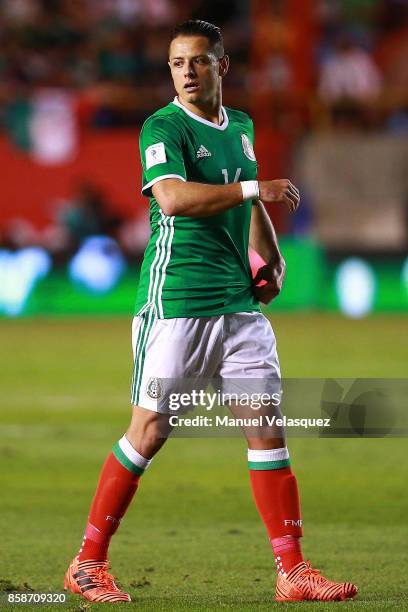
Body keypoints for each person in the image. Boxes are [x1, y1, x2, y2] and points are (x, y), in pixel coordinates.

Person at [64, 20, 358, 603]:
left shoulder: (240, 126)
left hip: (237, 303)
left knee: (267, 425)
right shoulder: (163, 127)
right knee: (149, 432)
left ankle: (292, 570)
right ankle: (88, 563)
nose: (188, 72)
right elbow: (173, 198)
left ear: (222, 66)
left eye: (198, 61)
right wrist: (256, 192)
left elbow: (249, 193)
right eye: (177, 63)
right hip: (177, 301)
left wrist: (272, 259)